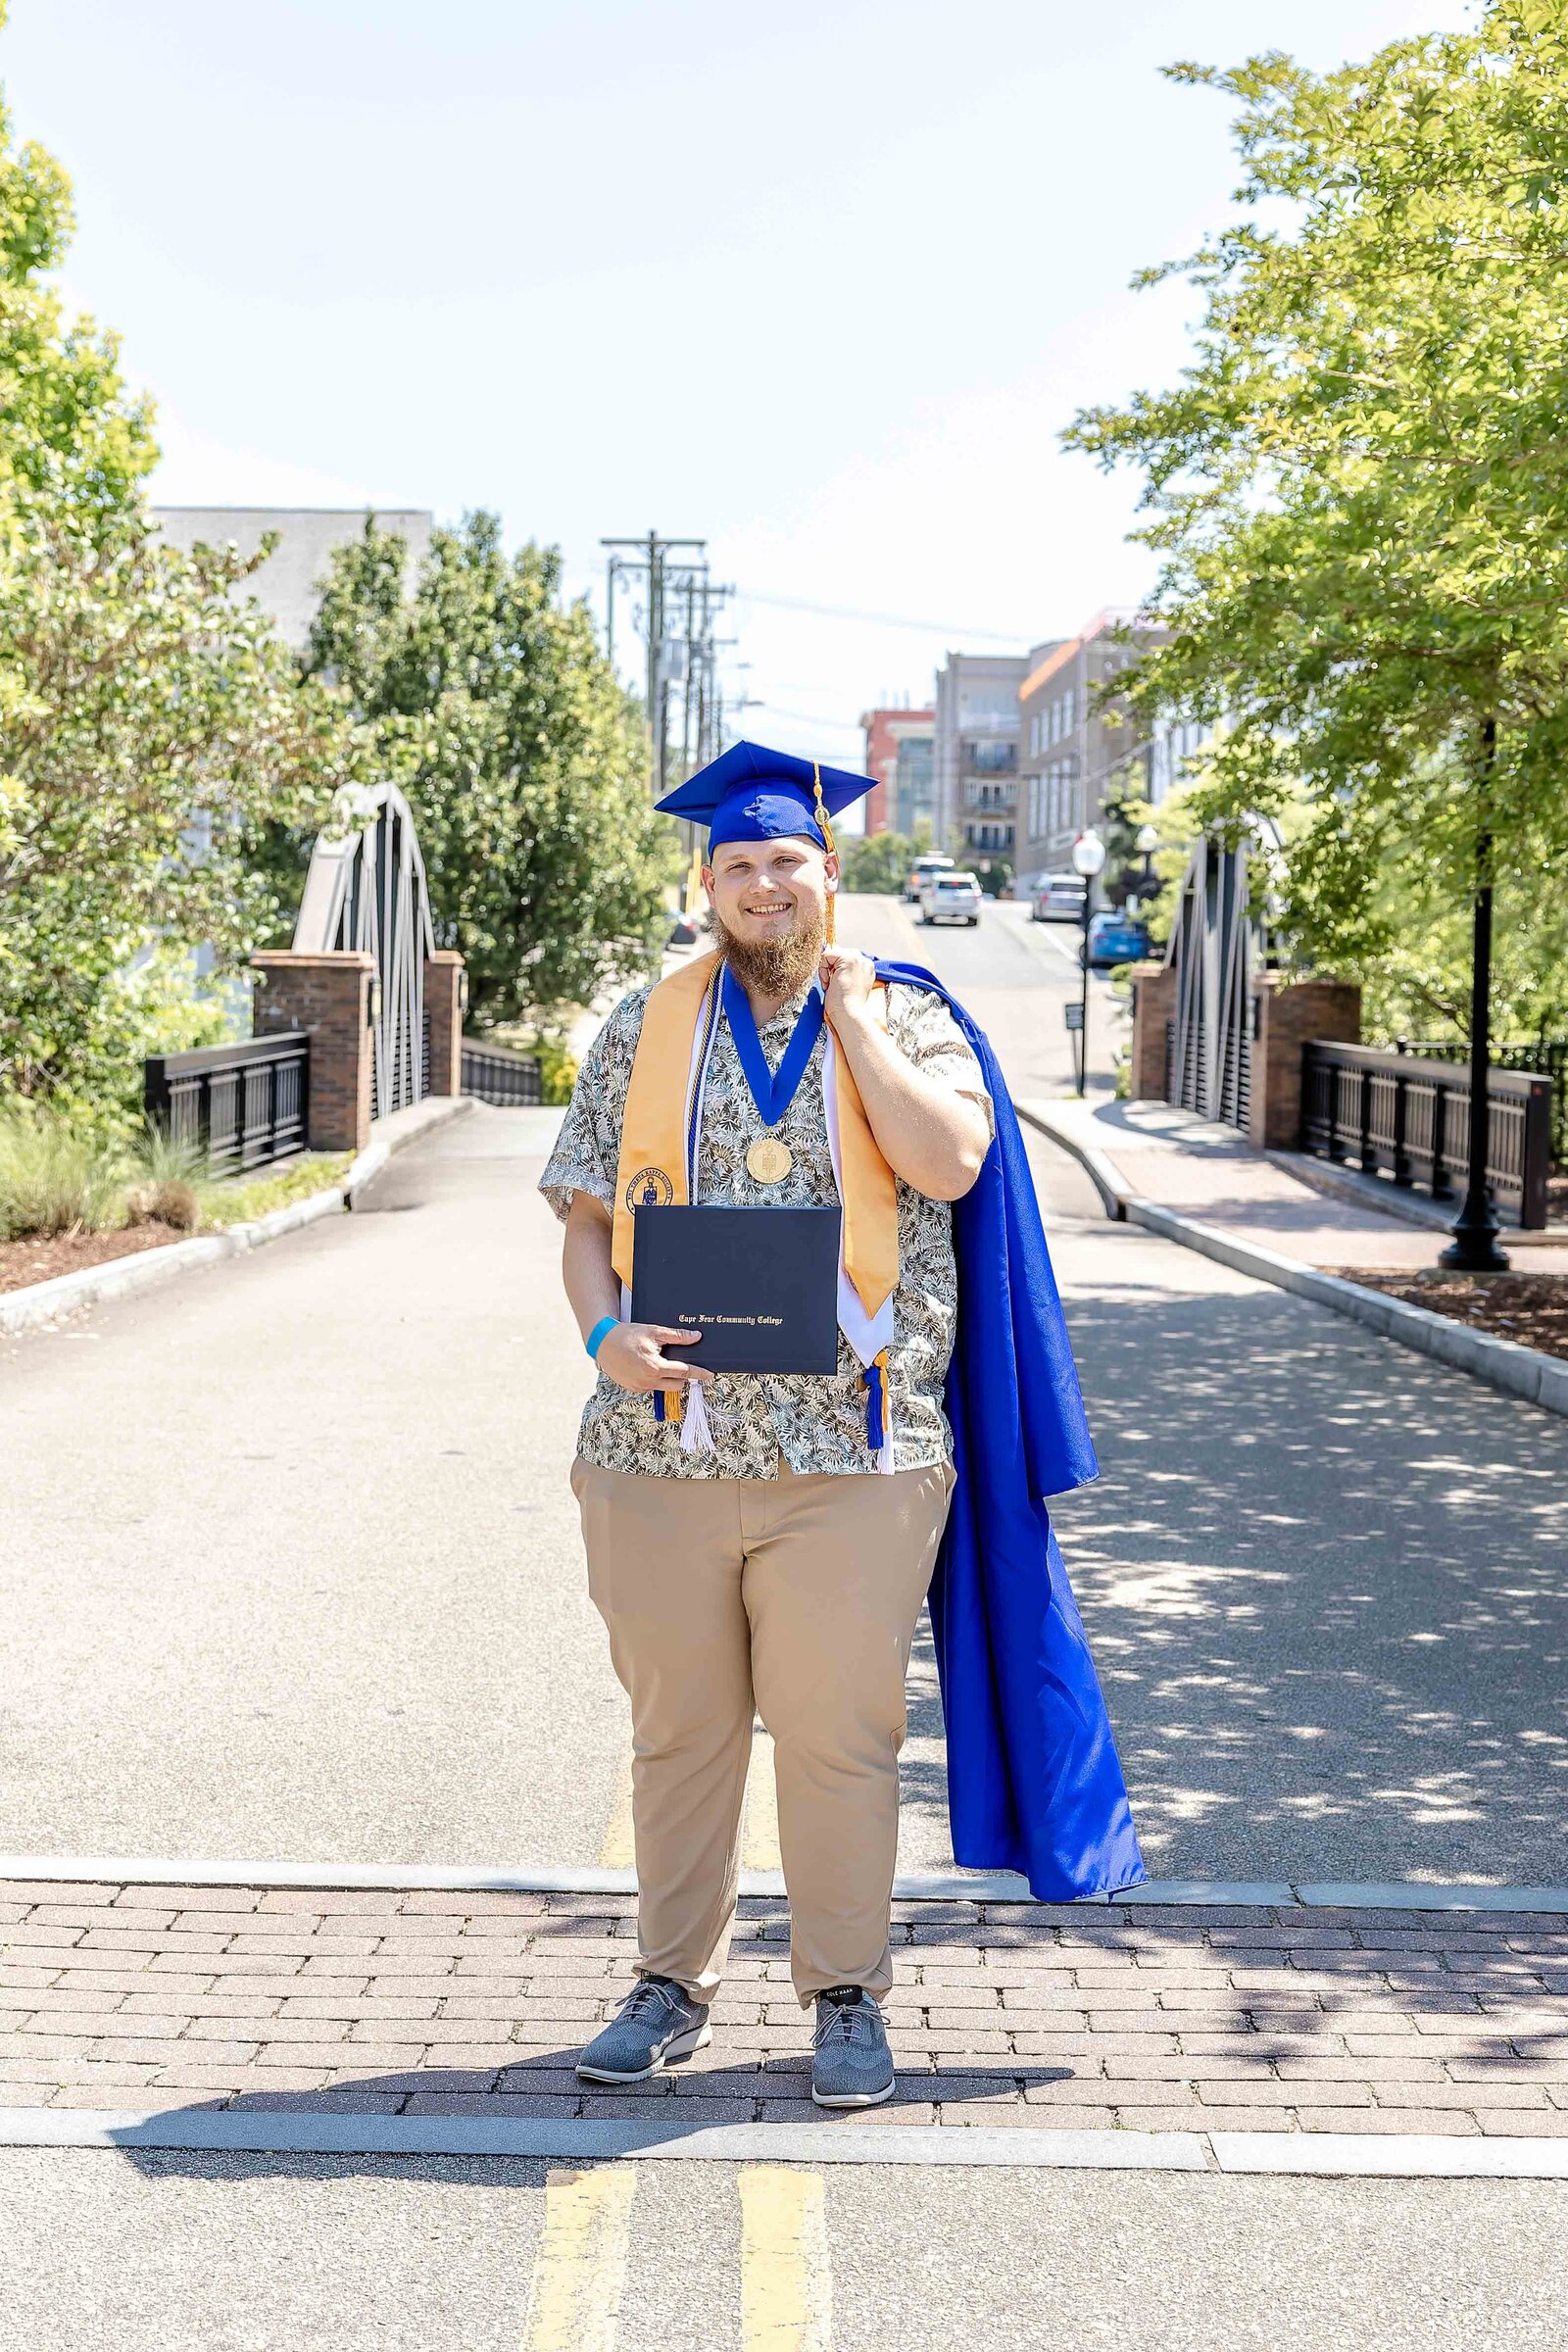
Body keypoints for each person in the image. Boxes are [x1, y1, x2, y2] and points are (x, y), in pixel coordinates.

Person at [539, 741, 1143, 2111]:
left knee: (838, 1737)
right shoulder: (645, 1023)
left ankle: (847, 1993)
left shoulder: (914, 1012)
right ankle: (667, 1985)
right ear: (707, 884)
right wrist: (600, 1334)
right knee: (679, 1736)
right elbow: (587, 1226)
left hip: (859, 1458)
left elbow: (949, 1161)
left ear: (831, 875)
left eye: (786, 863)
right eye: (738, 865)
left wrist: (857, 1022)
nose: (763, 885)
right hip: (661, 1448)